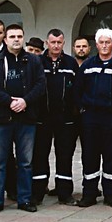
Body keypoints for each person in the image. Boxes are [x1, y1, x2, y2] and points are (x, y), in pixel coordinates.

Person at [0, 23, 46, 213]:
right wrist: (9, 101)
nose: (16, 40)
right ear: (5, 39)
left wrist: (25, 101)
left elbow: (40, 85)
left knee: (25, 162)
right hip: (2, 119)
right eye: (12, 37)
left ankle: (25, 199)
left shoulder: (33, 61)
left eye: (19, 36)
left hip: (26, 119)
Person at [74, 28, 112, 207]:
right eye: (101, 42)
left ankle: (111, 195)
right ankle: (89, 194)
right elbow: (77, 90)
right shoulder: (87, 65)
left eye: (108, 42)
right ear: (96, 45)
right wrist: (83, 111)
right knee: (89, 157)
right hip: (91, 118)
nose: (105, 46)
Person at [34, 28, 79, 205]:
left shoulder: (70, 63)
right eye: (52, 42)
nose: (56, 45)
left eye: (59, 42)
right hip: (42, 117)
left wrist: (74, 111)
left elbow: (77, 88)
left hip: (65, 118)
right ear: (47, 43)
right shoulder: (36, 62)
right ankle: (37, 193)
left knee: (65, 156)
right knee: (39, 156)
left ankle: (64, 193)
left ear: (64, 43)